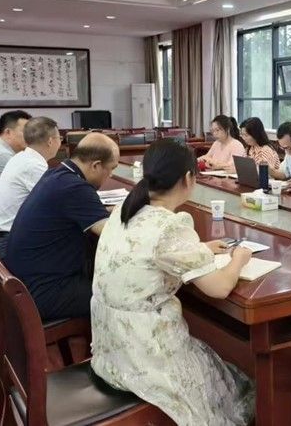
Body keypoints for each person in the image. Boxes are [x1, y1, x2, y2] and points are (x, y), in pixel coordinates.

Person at [91, 139, 255, 426]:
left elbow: (150, 251)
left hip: (110, 349)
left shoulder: (124, 210)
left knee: (221, 369)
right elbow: (219, 288)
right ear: (189, 178)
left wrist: (200, 249)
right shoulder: (171, 225)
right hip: (145, 356)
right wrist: (239, 259)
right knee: (234, 388)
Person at [4, 133, 119, 320]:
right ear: (96, 165)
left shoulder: (58, 174)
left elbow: (79, 210)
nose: (111, 175)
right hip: (43, 292)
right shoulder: (75, 188)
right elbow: (113, 234)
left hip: (23, 281)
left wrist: (118, 210)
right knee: (123, 292)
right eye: (111, 168)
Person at [0, 117, 62, 257]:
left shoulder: (22, 157)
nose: (60, 142)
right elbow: (58, 202)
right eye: (59, 138)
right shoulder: (33, 165)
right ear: (51, 141)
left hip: (5, 236)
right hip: (8, 242)